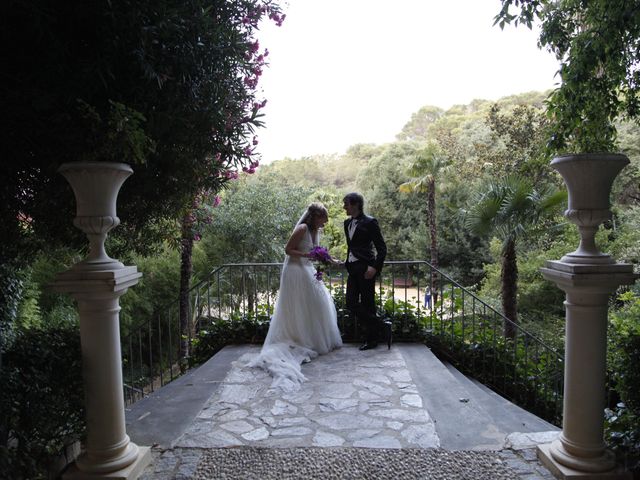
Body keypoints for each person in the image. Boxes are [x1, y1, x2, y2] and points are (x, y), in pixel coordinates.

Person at [248, 202, 342, 391]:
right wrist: (308, 255)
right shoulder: (302, 228)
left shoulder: (315, 231)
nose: (325, 222)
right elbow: (288, 249)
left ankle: (313, 339)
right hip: (295, 270)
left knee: (316, 302)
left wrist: (331, 260)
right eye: (324, 219)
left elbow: (317, 252)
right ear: (315, 217)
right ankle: (299, 338)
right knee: (300, 305)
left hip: (307, 269)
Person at [343, 192, 387, 350]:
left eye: (346, 204)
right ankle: (381, 324)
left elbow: (382, 248)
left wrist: (374, 268)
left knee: (368, 304)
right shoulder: (346, 223)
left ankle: (372, 340)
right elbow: (352, 246)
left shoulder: (370, 222)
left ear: (355, 204)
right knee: (351, 302)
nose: (344, 207)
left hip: (366, 268)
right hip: (352, 268)